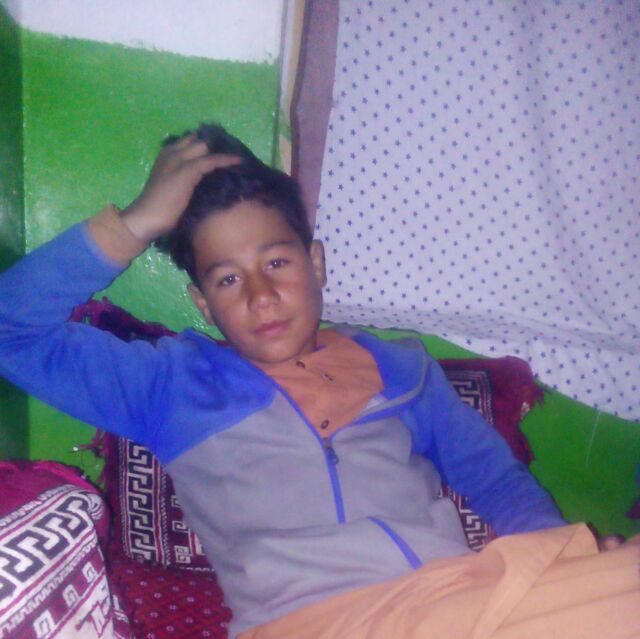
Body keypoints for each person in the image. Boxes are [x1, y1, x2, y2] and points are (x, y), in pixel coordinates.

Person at [0, 125, 636, 639]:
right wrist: (137, 221)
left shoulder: (404, 371)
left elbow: (494, 479)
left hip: (464, 599)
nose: (260, 295)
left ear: (316, 263)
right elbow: (12, 331)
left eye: (276, 261)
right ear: (202, 304)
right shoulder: (171, 386)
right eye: (228, 279)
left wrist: (565, 562)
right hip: (309, 623)